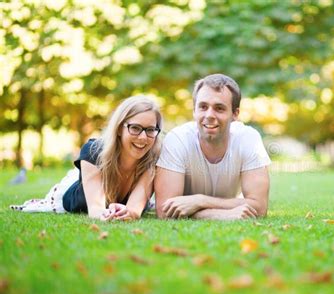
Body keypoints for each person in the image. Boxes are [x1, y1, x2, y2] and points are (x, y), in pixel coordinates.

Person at [10, 95, 162, 221]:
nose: (143, 138)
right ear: (119, 129)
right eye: (135, 128)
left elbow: (134, 209)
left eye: (150, 130)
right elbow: (95, 208)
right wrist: (104, 214)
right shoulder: (94, 152)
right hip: (78, 197)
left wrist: (128, 212)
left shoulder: (153, 160)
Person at [154, 74, 271, 220]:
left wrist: (199, 200)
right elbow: (164, 211)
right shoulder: (177, 139)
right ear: (194, 111)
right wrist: (222, 215)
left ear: (235, 114)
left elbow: (259, 207)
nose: (209, 115)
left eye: (219, 108)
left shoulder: (248, 139)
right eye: (203, 107)